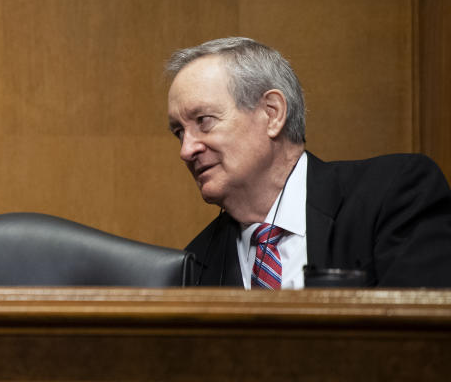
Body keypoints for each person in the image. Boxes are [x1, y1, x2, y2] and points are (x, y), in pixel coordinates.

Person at [166, 37, 451, 288]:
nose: (186, 150)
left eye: (204, 121)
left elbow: (420, 342)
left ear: (272, 113)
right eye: (179, 132)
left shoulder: (393, 196)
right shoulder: (193, 267)